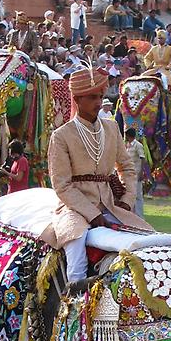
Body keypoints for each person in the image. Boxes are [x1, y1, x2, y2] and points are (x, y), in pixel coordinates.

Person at [41, 67, 151, 283]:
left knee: (147, 239)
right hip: (74, 209)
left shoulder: (111, 128)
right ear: (77, 99)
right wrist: (91, 213)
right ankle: (71, 307)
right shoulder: (62, 135)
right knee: (76, 257)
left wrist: (127, 200)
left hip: (111, 205)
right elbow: (61, 185)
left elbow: (127, 168)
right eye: (92, 97)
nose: (99, 102)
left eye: (100, 96)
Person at [124, 127, 146, 217]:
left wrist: (141, 172)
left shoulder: (138, 145)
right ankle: (133, 215)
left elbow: (142, 158)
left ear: (128, 136)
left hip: (137, 172)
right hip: (129, 173)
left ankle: (139, 216)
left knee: (138, 195)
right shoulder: (128, 145)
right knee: (131, 194)